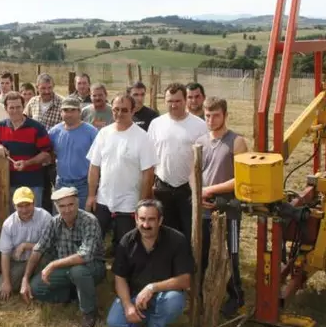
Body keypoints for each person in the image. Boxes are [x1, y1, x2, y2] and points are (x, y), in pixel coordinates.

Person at [106, 199, 194, 327]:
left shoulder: (177, 240)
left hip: (164, 295)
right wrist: (127, 305)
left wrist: (152, 287)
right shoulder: (126, 241)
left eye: (151, 219)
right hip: (135, 296)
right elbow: (119, 277)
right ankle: (149, 315)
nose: (146, 225)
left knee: (174, 301)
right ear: (135, 218)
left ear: (160, 220)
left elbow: (185, 281)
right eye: (142, 219)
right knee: (115, 324)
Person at [20, 186, 106, 327]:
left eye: (71, 204)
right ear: (57, 207)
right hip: (66, 269)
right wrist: (25, 279)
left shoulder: (89, 221)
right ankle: (73, 294)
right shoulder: (54, 222)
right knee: (36, 287)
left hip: (92, 266)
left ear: (77, 203)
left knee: (78, 271)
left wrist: (53, 265)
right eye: (62, 206)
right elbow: (39, 248)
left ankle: (89, 312)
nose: (67, 210)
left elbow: (85, 256)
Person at [196, 97, 249, 317]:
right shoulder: (200, 141)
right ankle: (203, 294)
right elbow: (196, 174)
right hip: (204, 208)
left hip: (229, 208)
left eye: (215, 115)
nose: (210, 119)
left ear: (225, 115)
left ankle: (236, 296)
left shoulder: (236, 142)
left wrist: (210, 190)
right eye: (207, 115)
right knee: (204, 252)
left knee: (231, 253)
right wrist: (199, 193)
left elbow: (242, 179)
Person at [86, 93, 158, 246]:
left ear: (133, 111)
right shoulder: (104, 134)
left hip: (129, 203)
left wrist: (142, 204)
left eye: (124, 110)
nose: (119, 114)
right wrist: (92, 195)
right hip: (103, 199)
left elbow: (148, 174)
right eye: (116, 109)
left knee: (125, 245)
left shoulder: (143, 138)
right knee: (94, 242)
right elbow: (94, 167)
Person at [147, 83, 207, 241]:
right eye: (170, 101)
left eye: (178, 101)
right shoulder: (156, 124)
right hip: (162, 187)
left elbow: (205, 157)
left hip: (188, 189)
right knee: (165, 231)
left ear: (185, 100)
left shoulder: (200, 125)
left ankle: (189, 264)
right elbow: (149, 156)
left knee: (189, 231)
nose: (173, 105)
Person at [0, 91, 52, 210]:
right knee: (12, 219)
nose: (15, 111)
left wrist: (27, 163)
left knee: (33, 217)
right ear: (6, 108)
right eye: (11, 107)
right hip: (8, 182)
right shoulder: (1, 126)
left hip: (33, 183)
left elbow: (46, 154)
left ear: (23, 107)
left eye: (18, 107)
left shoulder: (37, 128)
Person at [0, 187, 53, 300]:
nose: (24, 210)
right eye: (20, 206)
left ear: (34, 203)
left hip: (41, 260)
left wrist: (27, 245)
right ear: (14, 206)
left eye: (27, 205)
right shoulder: (8, 224)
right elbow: (5, 254)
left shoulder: (45, 217)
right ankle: (28, 282)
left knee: (46, 259)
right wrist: (6, 281)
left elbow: (51, 245)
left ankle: (32, 283)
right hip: (19, 263)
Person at [48, 97, 98, 209]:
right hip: (61, 183)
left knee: (82, 219)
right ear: (61, 112)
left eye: (73, 110)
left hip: (83, 185)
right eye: (66, 110)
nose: (69, 114)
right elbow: (46, 151)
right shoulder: (54, 132)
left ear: (79, 112)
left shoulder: (91, 132)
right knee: (59, 218)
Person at [23, 73, 64, 213]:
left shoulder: (61, 103)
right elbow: (25, 123)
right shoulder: (32, 102)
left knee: (57, 191)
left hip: (54, 157)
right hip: (36, 157)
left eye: (49, 88)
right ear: (37, 87)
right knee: (40, 191)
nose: (46, 91)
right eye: (43, 88)